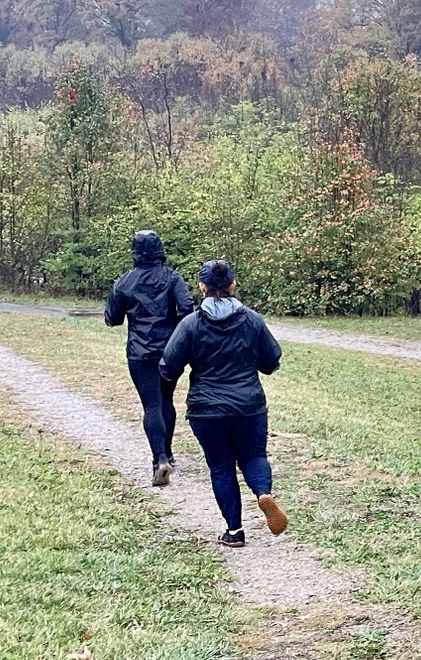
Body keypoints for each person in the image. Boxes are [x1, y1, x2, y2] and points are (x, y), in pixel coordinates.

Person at [159, 259, 288, 548]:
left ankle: (234, 531)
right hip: (249, 406)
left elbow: (168, 366)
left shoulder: (190, 324)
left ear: (202, 287)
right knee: (254, 457)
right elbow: (271, 360)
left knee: (220, 467)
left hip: (207, 411)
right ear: (232, 285)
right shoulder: (252, 320)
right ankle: (263, 493)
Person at [103, 229, 193, 488]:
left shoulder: (124, 282)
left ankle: (159, 459)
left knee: (151, 405)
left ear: (134, 252)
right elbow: (187, 309)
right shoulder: (172, 277)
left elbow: (113, 319)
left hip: (140, 352)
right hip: (170, 350)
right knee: (166, 399)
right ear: (159, 249)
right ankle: (169, 452)